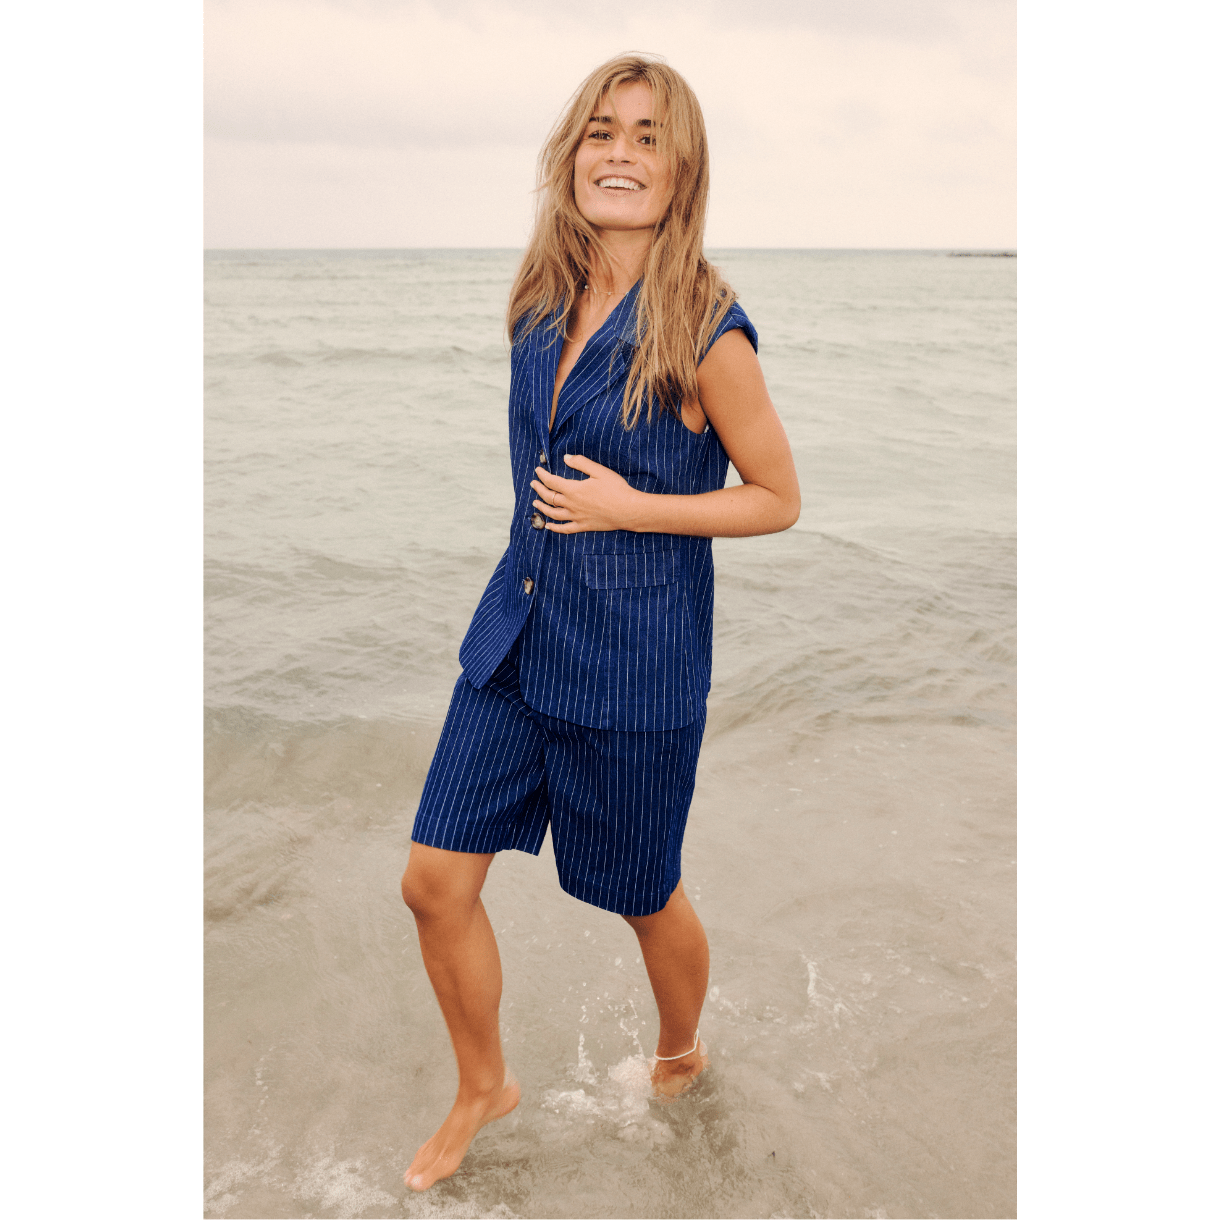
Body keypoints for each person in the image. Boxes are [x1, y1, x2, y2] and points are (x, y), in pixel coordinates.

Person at [400, 53, 800, 1192]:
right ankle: (484, 1083)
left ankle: (679, 1053)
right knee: (432, 881)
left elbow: (777, 496)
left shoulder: (709, 330)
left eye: (646, 138)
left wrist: (634, 507)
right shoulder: (538, 301)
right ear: (571, 154)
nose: (619, 154)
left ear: (682, 172)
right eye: (600, 132)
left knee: (641, 893)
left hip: (633, 666)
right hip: (515, 637)